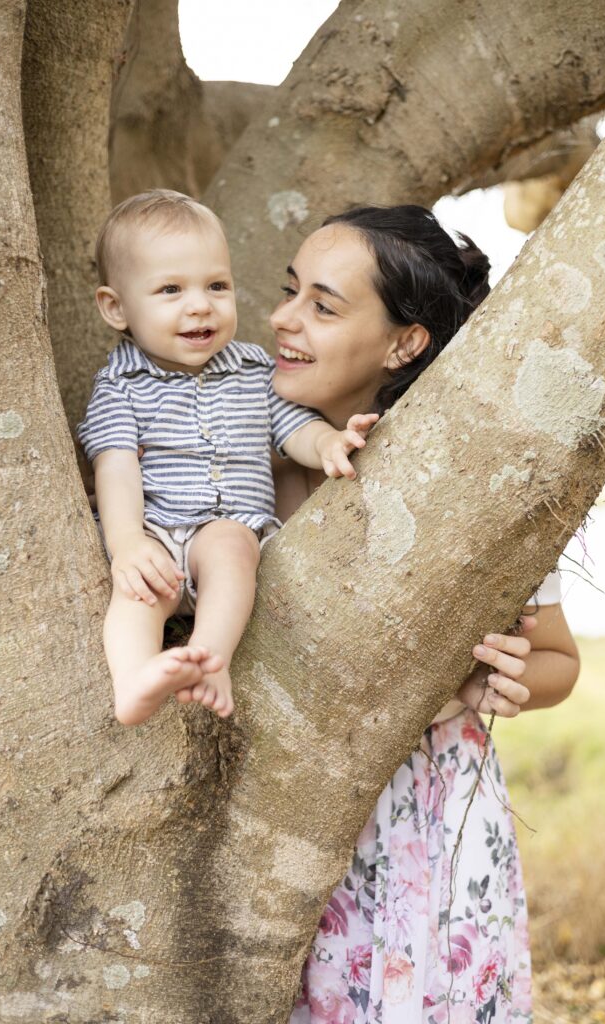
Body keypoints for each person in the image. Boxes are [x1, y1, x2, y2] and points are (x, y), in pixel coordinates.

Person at [266, 206, 580, 1023]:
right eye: (289, 291)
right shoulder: (237, 457)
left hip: (432, 828)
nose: (282, 319)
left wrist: (507, 683)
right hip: (271, 830)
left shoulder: (467, 486)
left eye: (323, 306)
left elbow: (558, 661)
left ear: (405, 343)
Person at [77, 190, 378, 726]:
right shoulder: (120, 385)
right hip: (156, 533)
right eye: (170, 290)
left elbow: (293, 429)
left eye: (217, 286)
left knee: (234, 549)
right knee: (138, 596)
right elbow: (115, 467)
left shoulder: (252, 369)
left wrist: (329, 443)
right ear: (116, 307)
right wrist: (126, 544)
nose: (200, 305)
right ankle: (133, 683)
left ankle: (211, 660)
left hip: (226, 527)